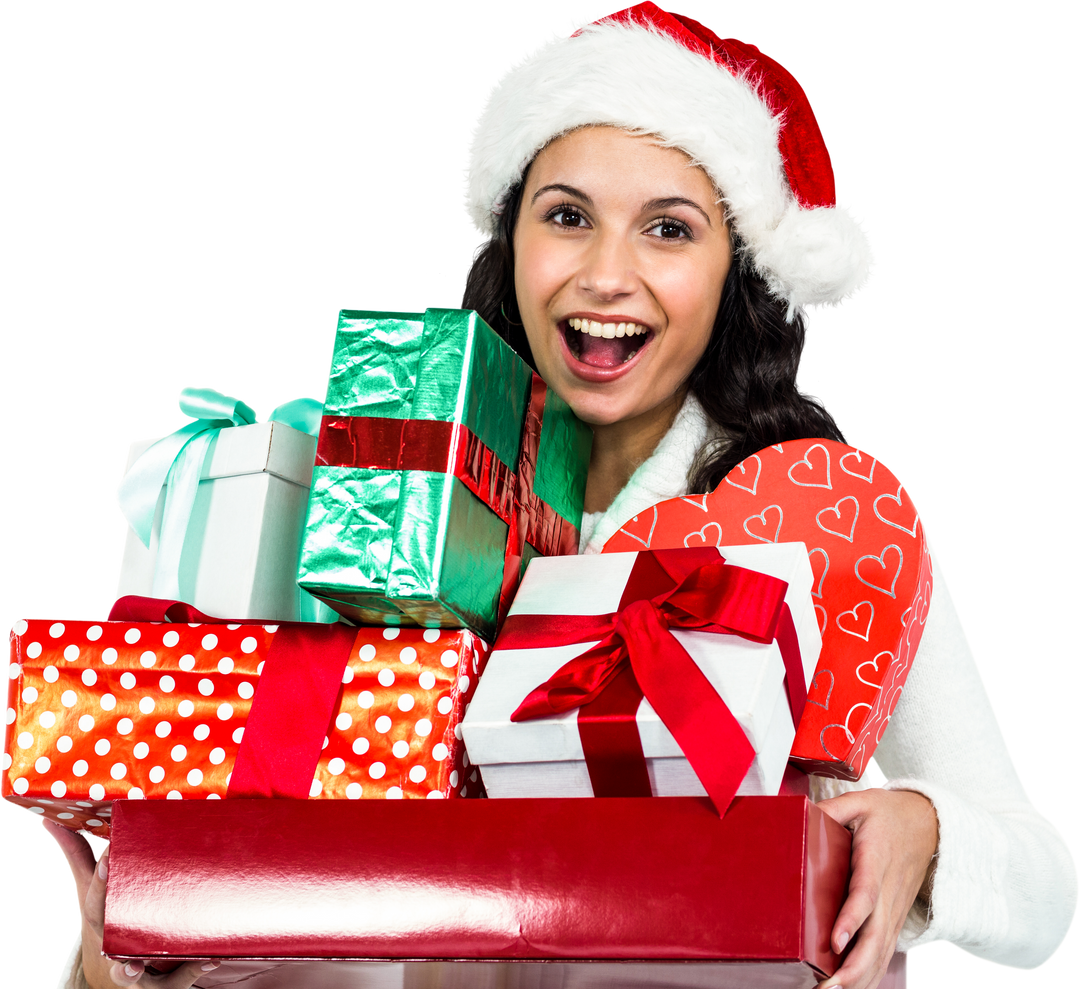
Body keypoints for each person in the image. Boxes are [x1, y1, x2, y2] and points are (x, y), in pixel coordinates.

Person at [39, 4, 1076, 987]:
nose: (605, 275)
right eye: (567, 216)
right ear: (512, 240)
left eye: (668, 230)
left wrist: (926, 833)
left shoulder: (831, 521)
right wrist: (119, 944)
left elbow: (1046, 888)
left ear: (737, 275)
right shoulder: (370, 494)